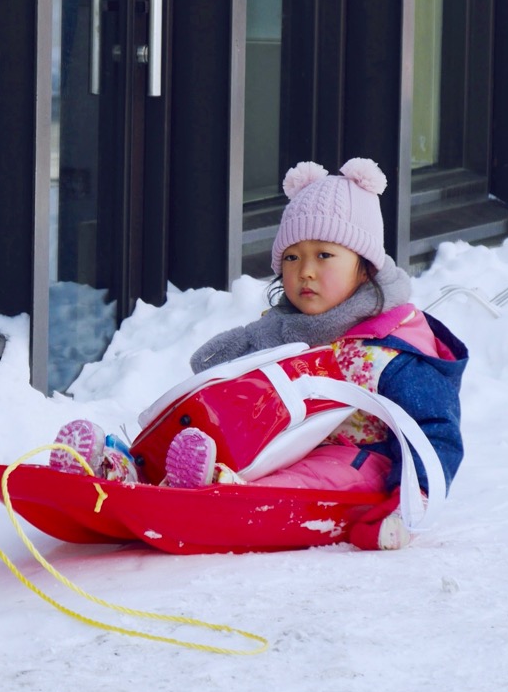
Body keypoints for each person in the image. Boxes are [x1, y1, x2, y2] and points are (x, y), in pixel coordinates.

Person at [50, 158, 469, 549]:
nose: (304, 270)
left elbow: (433, 432)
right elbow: (213, 370)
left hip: (361, 459)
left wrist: (410, 503)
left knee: (312, 478)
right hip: (279, 440)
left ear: (366, 266)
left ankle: (215, 489)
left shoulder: (393, 348)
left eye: (324, 255)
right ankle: (125, 470)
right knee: (222, 428)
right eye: (291, 257)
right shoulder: (282, 331)